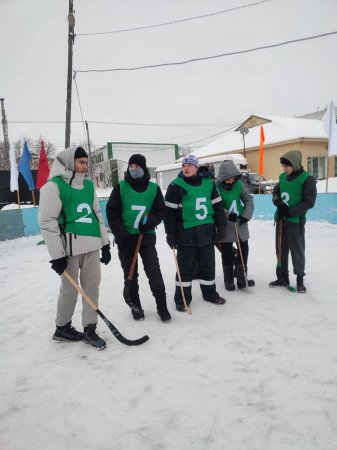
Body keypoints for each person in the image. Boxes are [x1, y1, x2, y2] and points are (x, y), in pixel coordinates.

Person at [39, 146, 111, 350]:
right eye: (81, 162)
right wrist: (57, 256)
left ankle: (90, 328)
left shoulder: (89, 185)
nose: (85, 166)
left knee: (92, 288)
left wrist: (105, 244)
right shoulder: (53, 187)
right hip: (69, 249)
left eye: (86, 162)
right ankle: (62, 327)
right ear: (70, 162)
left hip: (92, 246)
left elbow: (97, 215)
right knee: (69, 290)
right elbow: (48, 222)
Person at [106, 154, 171, 323]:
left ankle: (162, 306)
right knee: (130, 275)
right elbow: (112, 213)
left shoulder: (153, 189)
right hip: (126, 239)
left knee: (153, 271)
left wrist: (150, 222)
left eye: (137, 166)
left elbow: (160, 210)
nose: (133, 169)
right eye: (131, 166)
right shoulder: (120, 187)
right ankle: (136, 307)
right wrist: (121, 234)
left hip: (146, 237)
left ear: (143, 168)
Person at [164, 154, 227, 310]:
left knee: (208, 266)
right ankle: (182, 299)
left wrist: (222, 226)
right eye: (184, 165)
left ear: (196, 167)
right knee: (185, 268)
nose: (186, 168)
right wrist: (170, 233)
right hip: (186, 234)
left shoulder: (209, 184)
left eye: (189, 165)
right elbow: (169, 213)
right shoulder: (175, 186)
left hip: (207, 232)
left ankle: (210, 294)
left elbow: (218, 207)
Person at [269, 150, 317, 293]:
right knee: (281, 250)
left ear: (295, 164)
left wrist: (290, 211)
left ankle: (300, 280)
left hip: (295, 221)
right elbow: (275, 192)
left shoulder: (307, 179)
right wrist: (278, 202)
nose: (284, 169)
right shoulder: (283, 177)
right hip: (281, 220)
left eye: (286, 166)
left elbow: (309, 202)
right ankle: (283, 277)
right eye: (283, 166)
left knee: (297, 251)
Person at [216, 160, 254, 290]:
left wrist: (246, 215)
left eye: (232, 178)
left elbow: (248, 200)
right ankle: (229, 280)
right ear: (222, 179)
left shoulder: (239, 185)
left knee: (244, 250)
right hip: (226, 225)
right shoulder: (216, 188)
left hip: (240, 222)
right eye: (227, 179)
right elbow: (216, 206)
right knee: (226, 252)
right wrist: (227, 214)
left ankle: (242, 278)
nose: (231, 181)